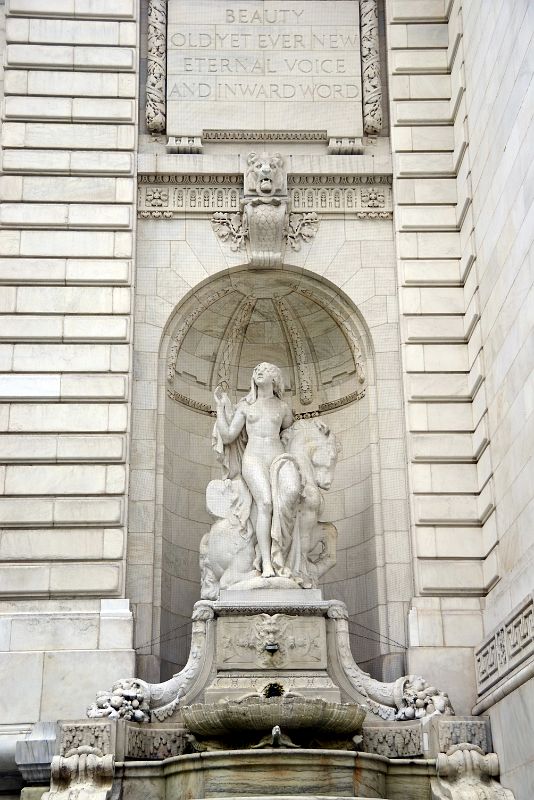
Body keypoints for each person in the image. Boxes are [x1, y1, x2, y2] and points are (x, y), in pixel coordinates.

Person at [213, 363, 293, 577]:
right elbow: (229, 435)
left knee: (283, 503)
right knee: (265, 503)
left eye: (264, 370)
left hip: (277, 457)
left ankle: (281, 557)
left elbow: (292, 434)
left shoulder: (283, 409)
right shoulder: (246, 406)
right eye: (256, 369)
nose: (258, 372)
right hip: (254, 458)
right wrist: (221, 408)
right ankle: (266, 563)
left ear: (275, 379)